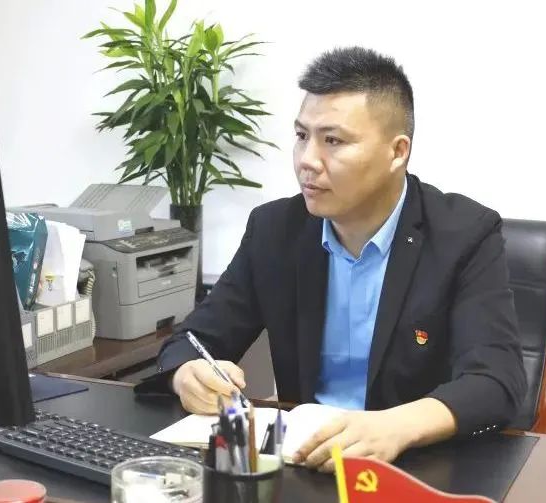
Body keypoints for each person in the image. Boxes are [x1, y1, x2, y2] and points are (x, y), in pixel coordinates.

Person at [145, 46, 526, 473]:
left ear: (397, 152)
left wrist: (395, 427)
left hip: (414, 467)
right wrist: (187, 374)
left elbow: (496, 381)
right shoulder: (275, 231)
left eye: (333, 141)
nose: (307, 161)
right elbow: (193, 340)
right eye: (301, 136)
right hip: (306, 463)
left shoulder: (464, 235)